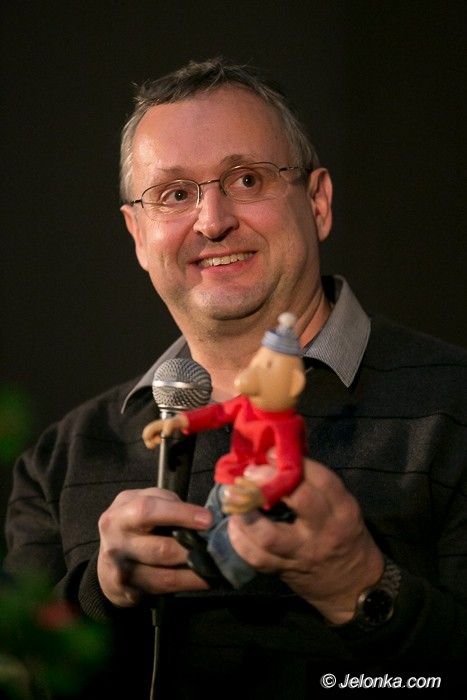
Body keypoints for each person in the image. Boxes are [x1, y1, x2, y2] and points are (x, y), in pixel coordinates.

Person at [3, 58, 467, 698]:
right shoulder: (59, 458)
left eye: (247, 179)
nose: (212, 220)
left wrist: (360, 586)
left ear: (318, 202)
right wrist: (101, 595)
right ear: (138, 235)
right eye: (174, 194)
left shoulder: (455, 408)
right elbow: (21, 680)